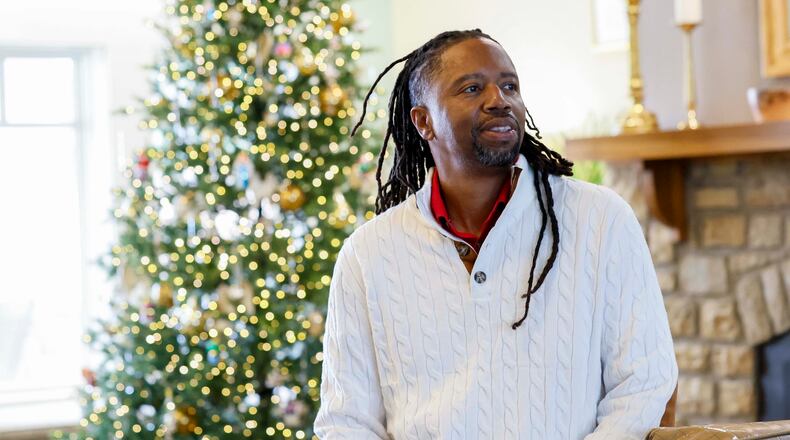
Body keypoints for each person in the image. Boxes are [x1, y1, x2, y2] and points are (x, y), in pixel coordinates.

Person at [313, 29, 678, 439]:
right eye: (471, 88)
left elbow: (644, 383)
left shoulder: (601, 220)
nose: (498, 100)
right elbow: (347, 422)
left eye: (509, 86)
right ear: (423, 121)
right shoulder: (368, 253)